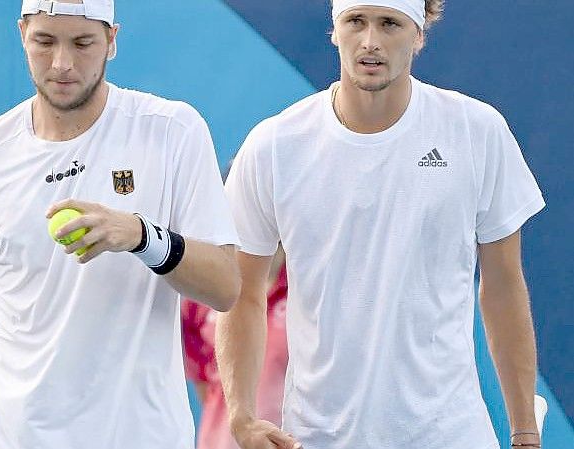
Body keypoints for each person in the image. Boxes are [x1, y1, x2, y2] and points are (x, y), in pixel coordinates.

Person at [216, 1, 545, 449]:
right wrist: (242, 417)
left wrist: (524, 430)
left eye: (389, 24)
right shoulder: (274, 145)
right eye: (356, 22)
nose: (370, 42)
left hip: (450, 434)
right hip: (315, 437)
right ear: (335, 31)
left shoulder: (477, 131)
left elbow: (504, 284)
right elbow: (242, 294)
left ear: (419, 34)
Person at [0, 1, 240, 448]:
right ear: (22, 34)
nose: (62, 63)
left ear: (111, 41)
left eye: (82, 43)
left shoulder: (172, 130)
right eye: (44, 41)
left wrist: (142, 236)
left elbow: (225, 285)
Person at [183, 249, 288, 449]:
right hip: (220, 441)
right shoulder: (201, 299)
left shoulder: (303, 297)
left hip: (283, 440)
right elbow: (205, 386)